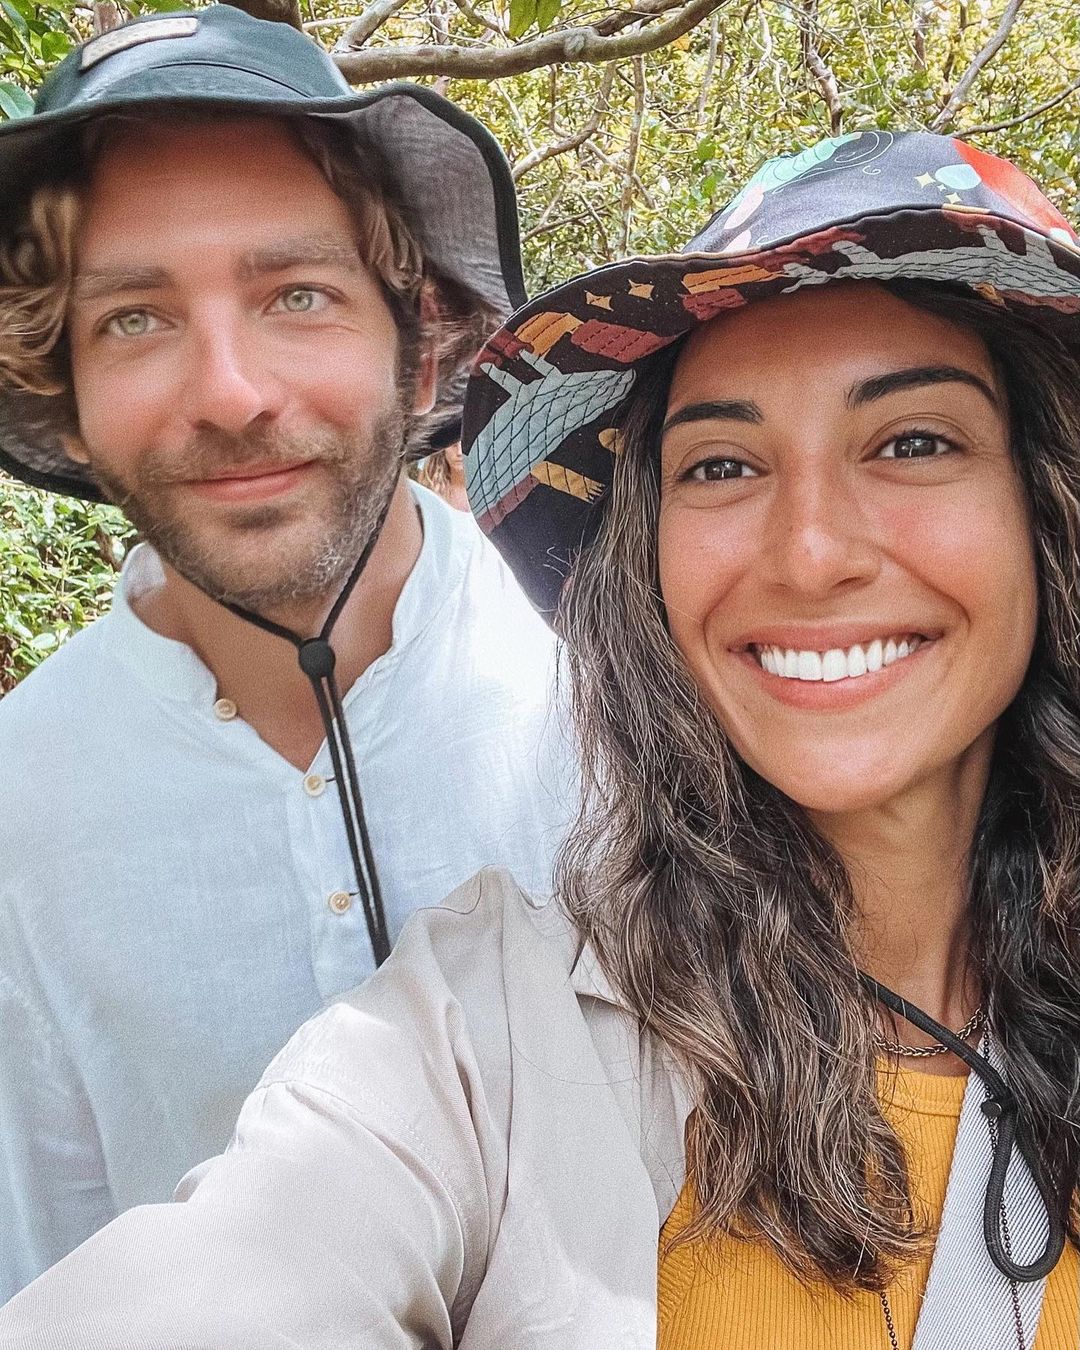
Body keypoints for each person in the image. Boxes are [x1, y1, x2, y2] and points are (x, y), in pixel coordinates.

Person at [3, 127, 1080, 1349]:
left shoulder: (526, 684)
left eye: (915, 442)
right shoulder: (489, 1034)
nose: (811, 551)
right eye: (722, 464)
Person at [0, 6, 575, 1303]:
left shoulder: (615, 682)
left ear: (417, 344)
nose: (229, 392)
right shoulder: (18, 811)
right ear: (64, 392)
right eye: (133, 319)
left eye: (297, 295)